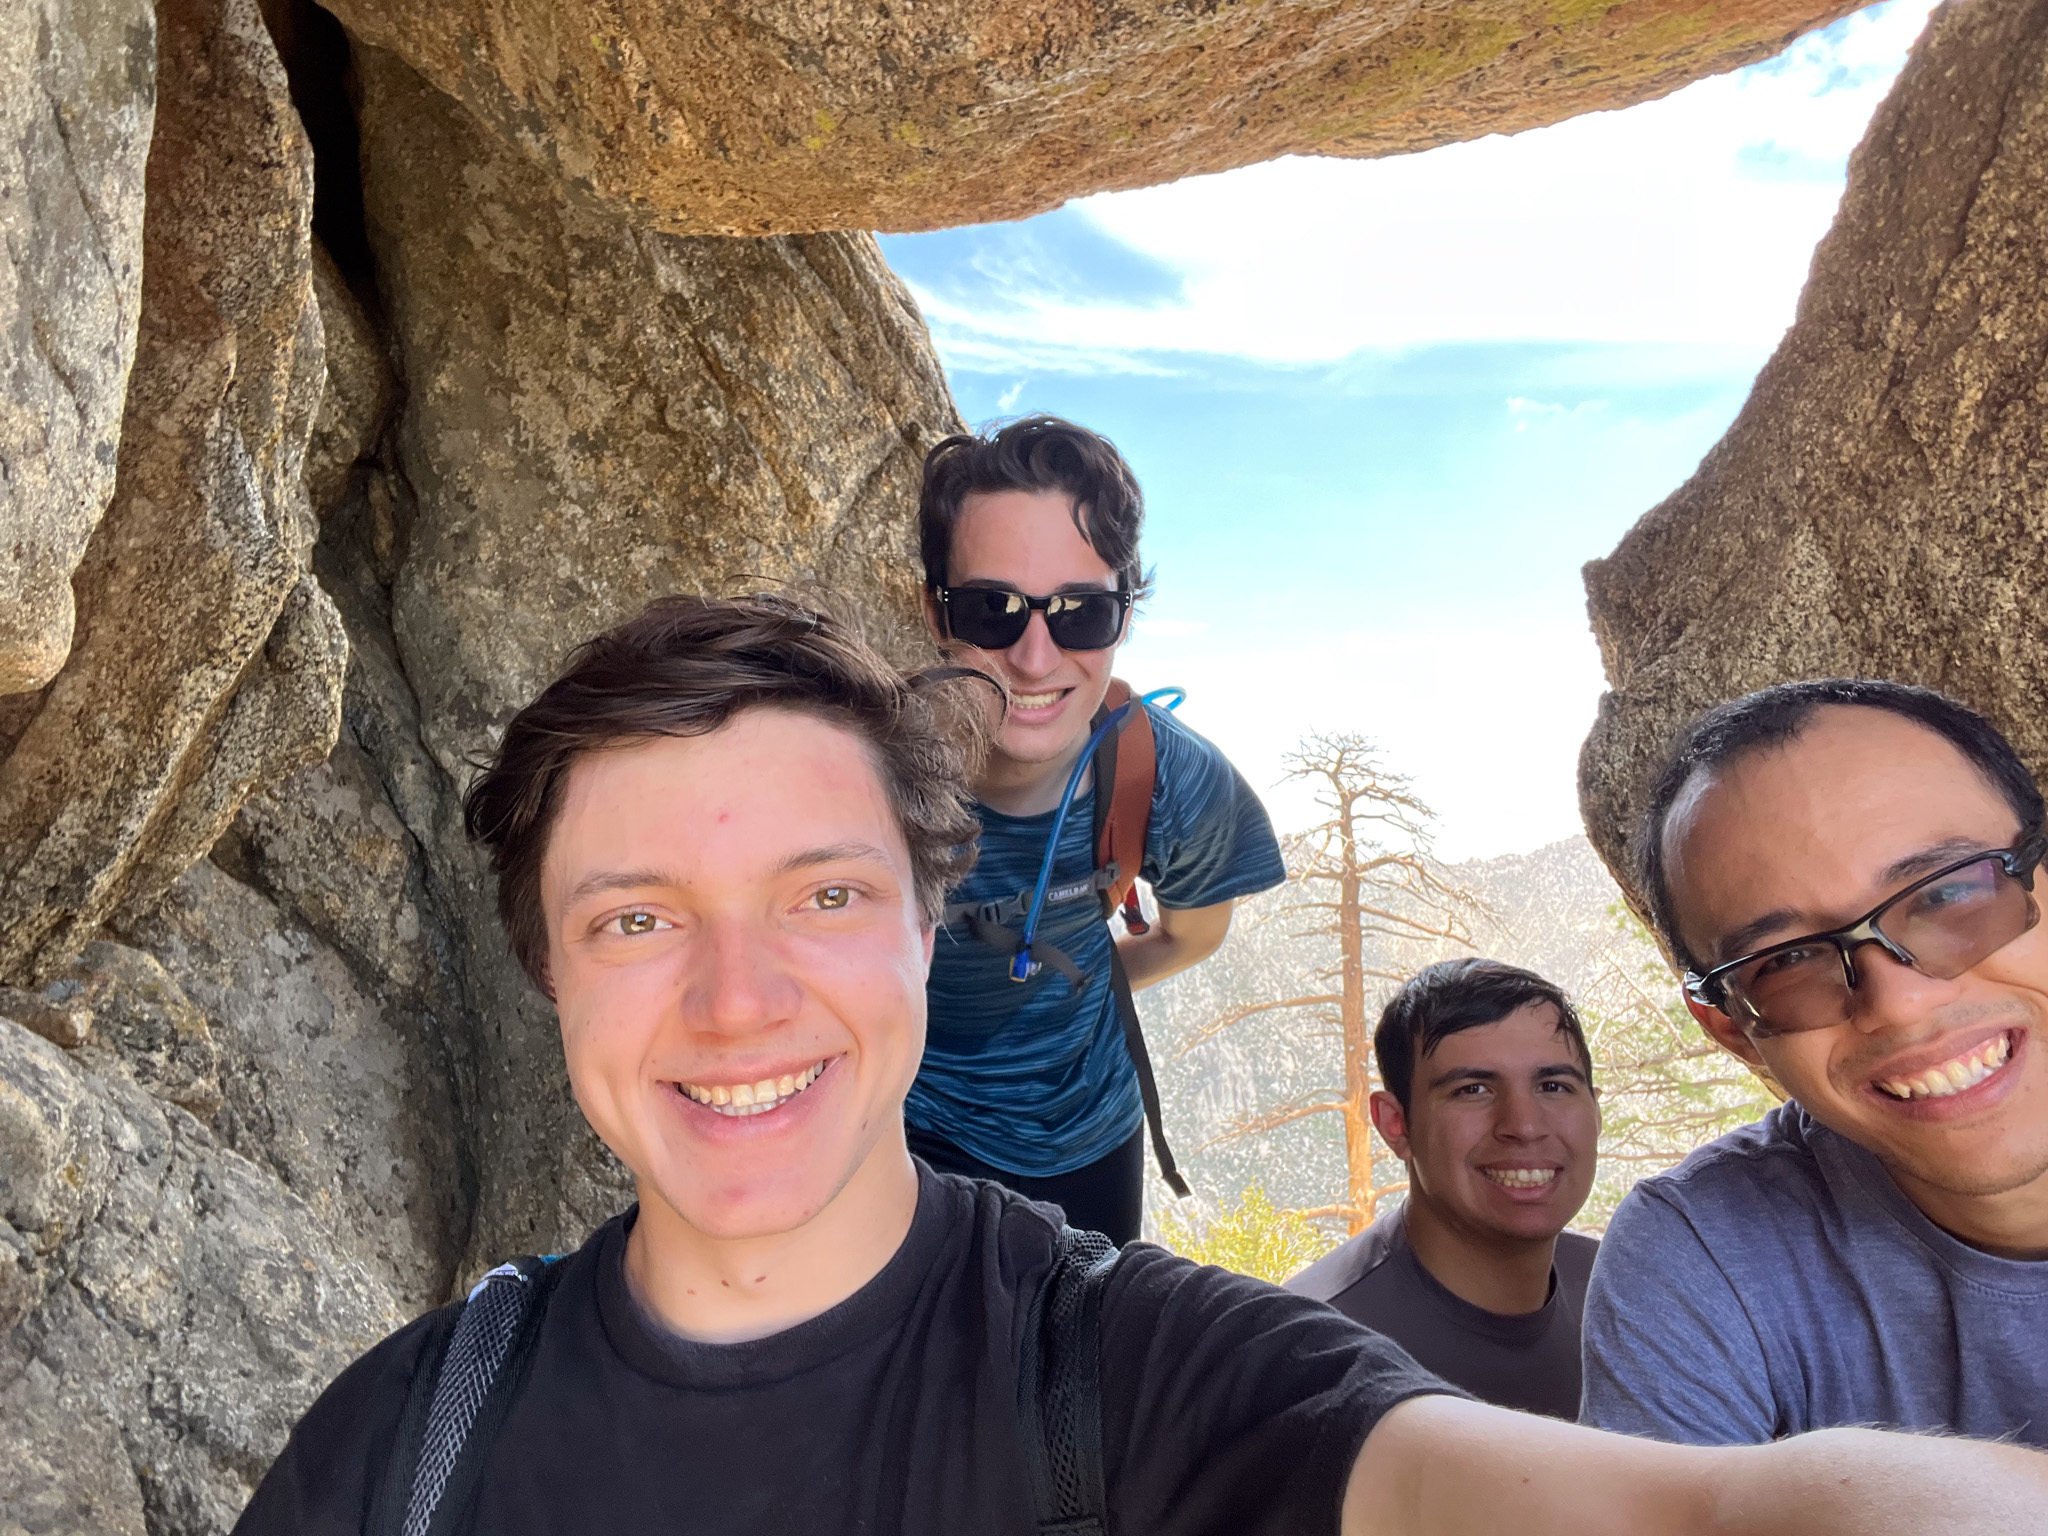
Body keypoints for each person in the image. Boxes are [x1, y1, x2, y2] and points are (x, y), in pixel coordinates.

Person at [232, 598, 2048, 1535]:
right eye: (634, 919)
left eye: (822, 893)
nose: (734, 1001)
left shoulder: (1157, 1372)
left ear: (919, 934)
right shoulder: (400, 1444)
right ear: (545, 968)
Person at [1580, 679, 2048, 1445]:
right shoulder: (1708, 1260)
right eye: (1789, 961)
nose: (1899, 1004)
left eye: (1950, 894)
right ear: (1732, 1031)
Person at [910, 415, 1285, 1243]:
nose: (1036, 657)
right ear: (935, 614)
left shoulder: (1170, 780)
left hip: (1085, 1140)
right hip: (900, 1129)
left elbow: (1191, 936)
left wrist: (1057, 981)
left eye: (1080, 612)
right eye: (992, 608)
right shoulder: (867, 773)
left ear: (1124, 612)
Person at [1288, 959, 1600, 1419]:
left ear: (1596, 1111)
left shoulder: (1623, 1296)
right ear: (1396, 1125)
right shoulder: (1312, 1355)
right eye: (1473, 1090)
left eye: (1553, 1086)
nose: (1524, 1125)